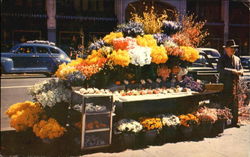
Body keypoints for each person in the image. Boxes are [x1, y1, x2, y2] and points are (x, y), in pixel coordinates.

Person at [217, 39, 243, 127]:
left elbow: (241, 69)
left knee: (235, 104)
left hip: (235, 84)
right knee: (225, 103)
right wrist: (232, 71)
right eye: (231, 48)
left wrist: (240, 72)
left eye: (234, 48)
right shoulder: (222, 58)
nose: (233, 49)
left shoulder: (237, 59)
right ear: (226, 49)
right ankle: (224, 122)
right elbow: (219, 69)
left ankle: (235, 122)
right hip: (225, 84)